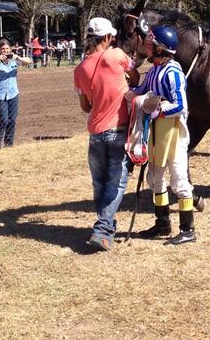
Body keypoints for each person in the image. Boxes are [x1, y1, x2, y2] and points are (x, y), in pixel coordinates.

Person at [74, 17, 139, 251]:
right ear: (109, 37)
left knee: (99, 184)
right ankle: (102, 230)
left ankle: (106, 226)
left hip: (96, 133)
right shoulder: (117, 55)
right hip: (118, 130)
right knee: (116, 183)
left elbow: (85, 106)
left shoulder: (80, 69)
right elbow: (136, 76)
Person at [130, 25, 197, 245]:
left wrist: (158, 108)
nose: (147, 48)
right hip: (156, 132)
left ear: (161, 49)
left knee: (179, 179)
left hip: (174, 132)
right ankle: (162, 223)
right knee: (154, 178)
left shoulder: (173, 72)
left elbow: (181, 105)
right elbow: (138, 92)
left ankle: (187, 229)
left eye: (151, 45)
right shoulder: (153, 72)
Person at [0, 38, 33, 149]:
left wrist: (18, 57)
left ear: (10, 49)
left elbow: (29, 61)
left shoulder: (14, 60)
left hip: (13, 94)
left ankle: (9, 144)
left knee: (12, 120)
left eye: (7, 48)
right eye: (3, 49)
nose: (5, 51)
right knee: (3, 120)